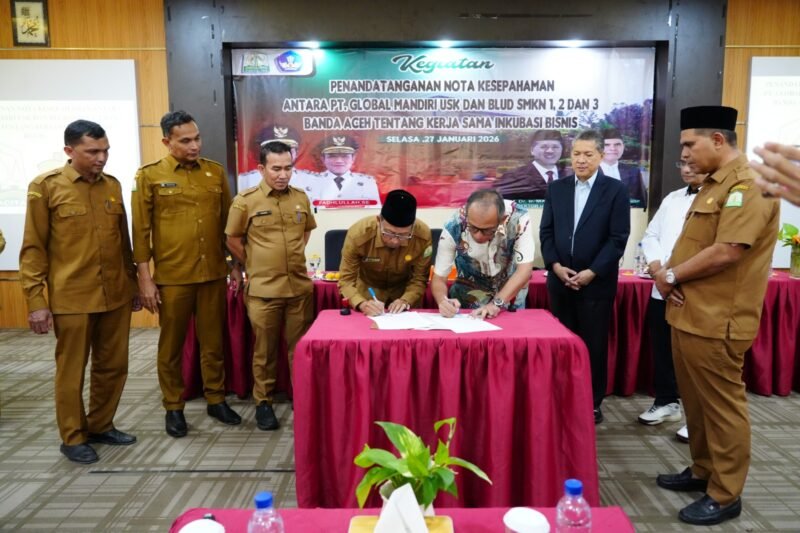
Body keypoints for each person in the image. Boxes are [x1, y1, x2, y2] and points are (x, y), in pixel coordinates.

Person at [654, 106, 780, 526]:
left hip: (718, 319)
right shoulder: (712, 185)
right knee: (696, 404)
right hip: (689, 314)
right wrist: (672, 280)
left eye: (690, 144)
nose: (685, 154)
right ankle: (704, 472)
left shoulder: (750, 184)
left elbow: (729, 249)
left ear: (718, 140)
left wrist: (670, 275)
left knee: (722, 408)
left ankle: (726, 494)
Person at [19, 120, 140, 464]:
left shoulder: (112, 186)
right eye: (92, 152)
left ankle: (101, 424)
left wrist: (132, 285)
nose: (101, 158)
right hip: (72, 297)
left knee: (113, 366)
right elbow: (33, 249)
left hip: (114, 293)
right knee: (72, 370)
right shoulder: (46, 187)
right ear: (70, 151)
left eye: (105, 151)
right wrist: (37, 301)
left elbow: (124, 244)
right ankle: (72, 436)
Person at [132, 110, 242, 438]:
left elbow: (228, 225)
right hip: (172, 276)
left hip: (211, 273)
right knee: (171, 346)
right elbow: (141, 231)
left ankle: (216, 398)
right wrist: (145, 279)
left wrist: (235, 264)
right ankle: (173, 406)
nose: (194, 146)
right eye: (185, 140)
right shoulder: (149, 176)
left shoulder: (214, 173)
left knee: (213, 342)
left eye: (197, 138)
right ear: (167, 142)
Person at [539, 129, 630, 424]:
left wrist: (592, 272)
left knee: (593, 344)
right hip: (560, 280)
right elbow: (547, 232)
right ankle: (560, 395)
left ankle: (591, 402)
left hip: (596, 283)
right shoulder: (557, 189)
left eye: (588, 154)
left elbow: (618, 238)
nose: (581, 160)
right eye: (576, 153)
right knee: (562, 343)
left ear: (601, 156)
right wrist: (554, 265)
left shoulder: (615, 190)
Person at [225, 141, 317, 430]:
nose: (282, 174)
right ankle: (263, 402)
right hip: (264, 291)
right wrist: (255, 263)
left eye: (288, 168)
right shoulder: (246, 200)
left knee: (298, 350)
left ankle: (301, 398)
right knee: (264, 352)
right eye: (276, 168)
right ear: (261, 168)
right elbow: (232, 239)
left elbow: (305, 233)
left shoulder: (301, 198)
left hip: (298, 289)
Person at [637, 160, 706, 441]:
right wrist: (658, 272)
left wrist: (674, 277)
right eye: (682, 163)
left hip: (693, 290)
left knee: (695, 356)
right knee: (663, 349)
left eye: (693, 163)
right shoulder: (672, 198)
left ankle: (699, 417)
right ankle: (667, 402)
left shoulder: (721, 199)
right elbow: (650, 235)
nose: (686, 169)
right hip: (661, 286)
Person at [432, 188, 534, 319]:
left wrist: (496, 304)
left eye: (487, 230)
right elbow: (439, 277)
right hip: (468, 295)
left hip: (510, 293)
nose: (478, 236)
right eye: (473, 228)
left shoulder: (518, 219)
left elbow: (524, 270)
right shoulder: (454, 226)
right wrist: (442, 301)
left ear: (502, 220)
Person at [338, 189, 432, 316]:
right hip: (367, 294)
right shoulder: (358, 234)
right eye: (388, 233)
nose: (394, 241)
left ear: (413, 227)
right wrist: (360, 303)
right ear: (379, 220)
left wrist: (406, 300)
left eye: (403, 235)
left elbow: (419, 278)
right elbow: (346, 280)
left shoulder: (423, 236)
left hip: (404, 295)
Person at [295, 134, 381, 206]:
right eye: (332, 156)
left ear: (353, 158)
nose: (339, 161)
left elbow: (374, 213)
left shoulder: (367, 183)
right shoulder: (310, 182)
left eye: (344, 156)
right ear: (323, 158)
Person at [236, 123, 313, 192]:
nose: (283, 176)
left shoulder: (310, 180)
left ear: (297, 151)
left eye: (288, 148)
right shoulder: (246, 180)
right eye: (273, 149)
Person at [496, 130, 564, 200]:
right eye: (544, 147)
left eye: (555, 147)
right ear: (532, 150)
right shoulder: (514, 176)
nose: (550, 151)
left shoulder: (570, 175)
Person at [600, 128, 648, 208]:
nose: (613, 148)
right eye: (607, 145)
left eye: (617, 144)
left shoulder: (634, 172)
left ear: (623, 147)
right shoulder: (587, 172)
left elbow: (642, 203)